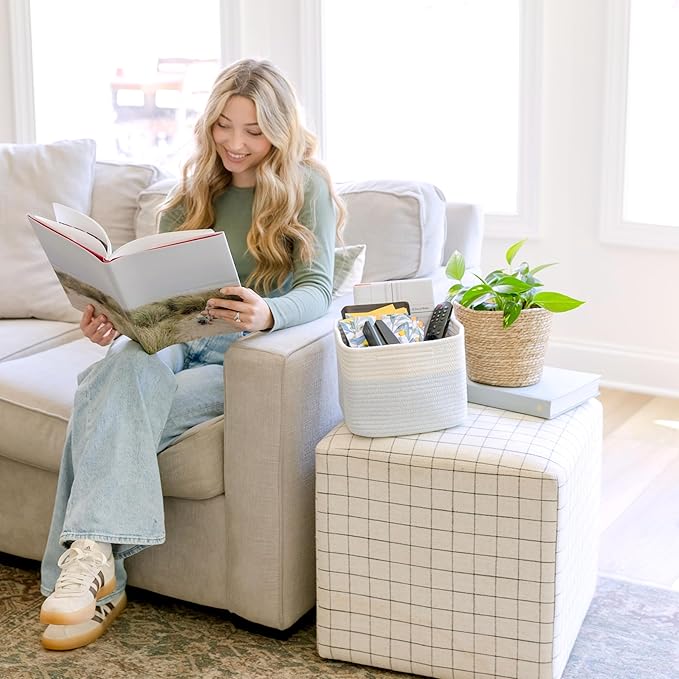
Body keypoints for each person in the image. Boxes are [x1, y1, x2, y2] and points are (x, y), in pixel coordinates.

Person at [38, 58, 345, 651]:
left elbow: (318, 289)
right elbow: (150, 294)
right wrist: (112, 314)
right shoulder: (193, 191)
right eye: (224, 126)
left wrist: (268, 312)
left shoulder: (307, 189)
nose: (235, 143)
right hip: (175, 339)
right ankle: (96, 569)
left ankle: (84, 573)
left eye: (254, 131)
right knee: (116, 370)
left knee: (102, 399)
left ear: (280, 130)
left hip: (239, 357)